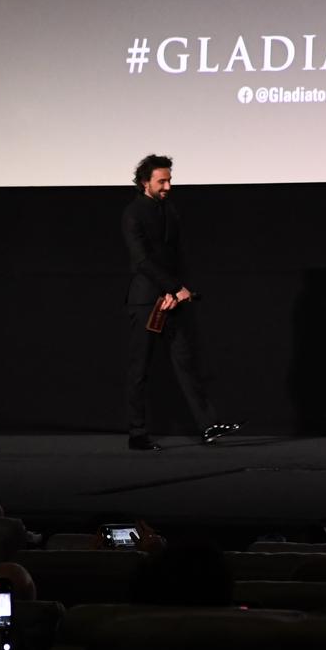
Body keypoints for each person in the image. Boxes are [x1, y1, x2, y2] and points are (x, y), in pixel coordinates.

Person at [121, 154, 235, 451]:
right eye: (162, 181)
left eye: (170, 180)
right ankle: (137, 433)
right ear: (145, 182)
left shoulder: (170, 211)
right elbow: (142, 261)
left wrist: (175, 292)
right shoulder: (133, 213)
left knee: (185, 363)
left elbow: (176, 256)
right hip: (146, 301)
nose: (168, 186)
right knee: (140, 368)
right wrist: (172, 288)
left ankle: (208, 426)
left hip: (171, 299)